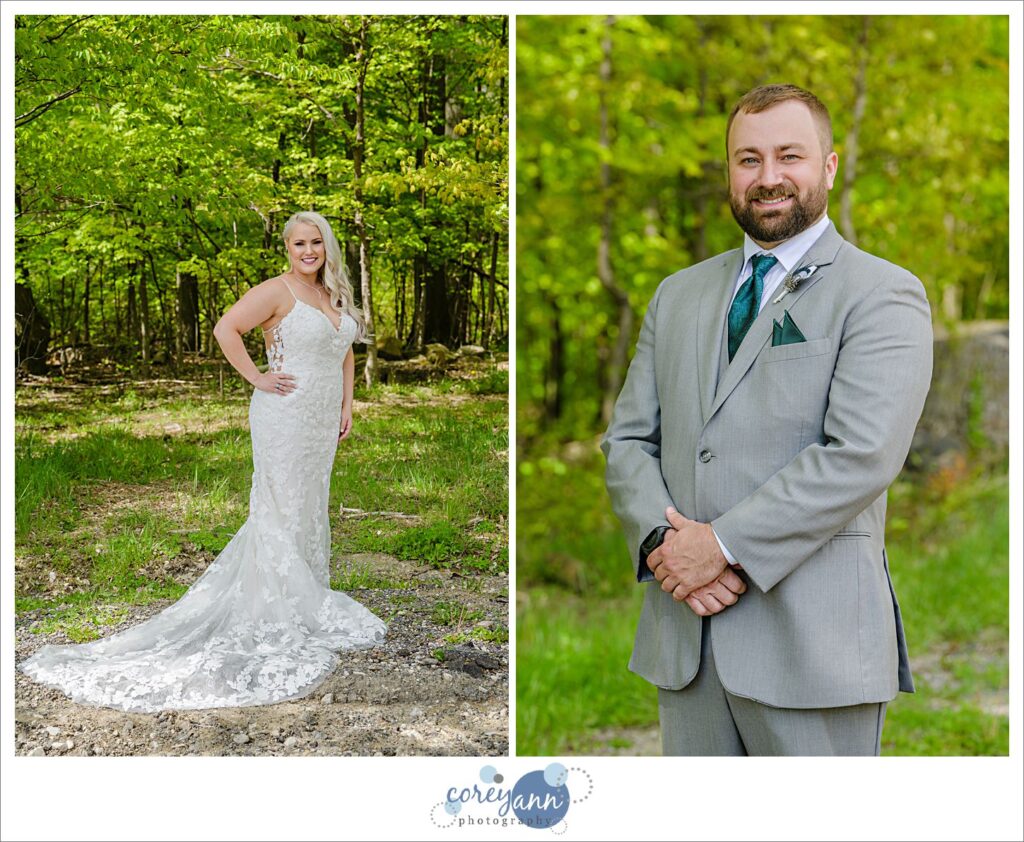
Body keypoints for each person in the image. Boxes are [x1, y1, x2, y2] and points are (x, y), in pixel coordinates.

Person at [600, 84, 933, 756]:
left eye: (790, 156)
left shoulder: (881, 292)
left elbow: (860, 453)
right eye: (748, 159)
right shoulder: (677, 294)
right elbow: (628, 440)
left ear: (830, 166)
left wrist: (717, 547)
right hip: (688, 639)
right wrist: (667, 551)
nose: (768, 177)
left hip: (815, 644)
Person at [19, 211, 386, 712]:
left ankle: (305, 595)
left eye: (315, 243)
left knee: (307, 505)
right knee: (278, 505)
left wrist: (348, 405)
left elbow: (343, 352)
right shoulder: (276, 291)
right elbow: (225, 328)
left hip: (322, 421)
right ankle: (273, 603)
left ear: (328, 247)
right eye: (298, 243)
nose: (307, 251)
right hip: (283, 415)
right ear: (286, 247)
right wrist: (257, 377)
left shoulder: (333, 294)